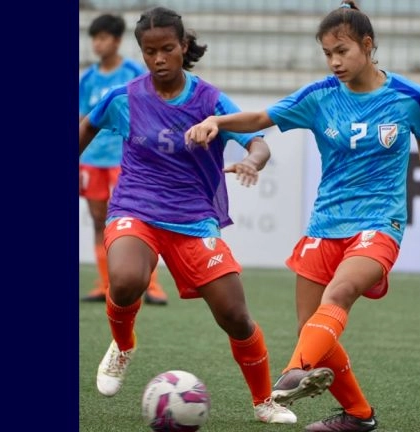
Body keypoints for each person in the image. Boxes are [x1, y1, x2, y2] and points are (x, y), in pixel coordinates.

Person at [185, 1, 420, 430]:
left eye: (342, 50)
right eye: (327, 53)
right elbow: (262, 117)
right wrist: (217, 120)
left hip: (379, 223)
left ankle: (292, 373)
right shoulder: (319, 97)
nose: (335, 61)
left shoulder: (406, 97)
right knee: (315, 328)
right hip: (324, 224)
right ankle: (359, 416)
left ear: (367, 44)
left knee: (336, 297)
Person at [78, 6, 297, 425]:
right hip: (135, 208)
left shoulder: (209, 100)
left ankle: (263, 401)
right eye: (149, 52)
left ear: (183, 47)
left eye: (166, 49)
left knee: (235, 316)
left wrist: (254, 160)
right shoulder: (125, 97)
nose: (158, 59)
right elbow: (87, 126)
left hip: (193, 220)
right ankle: (123, 346)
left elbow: (258, 141)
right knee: (125, 281)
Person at [79, 13, 168, 305]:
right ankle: (105, 284)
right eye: (94, 38)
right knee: (97, 221)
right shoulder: (88, 79)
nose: (97, 44)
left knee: (138, 219)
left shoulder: (132, 73)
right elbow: (82, 119)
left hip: (125, 160)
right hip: (92, 160)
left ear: (116, 41)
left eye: (103, 38)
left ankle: (151, 286)